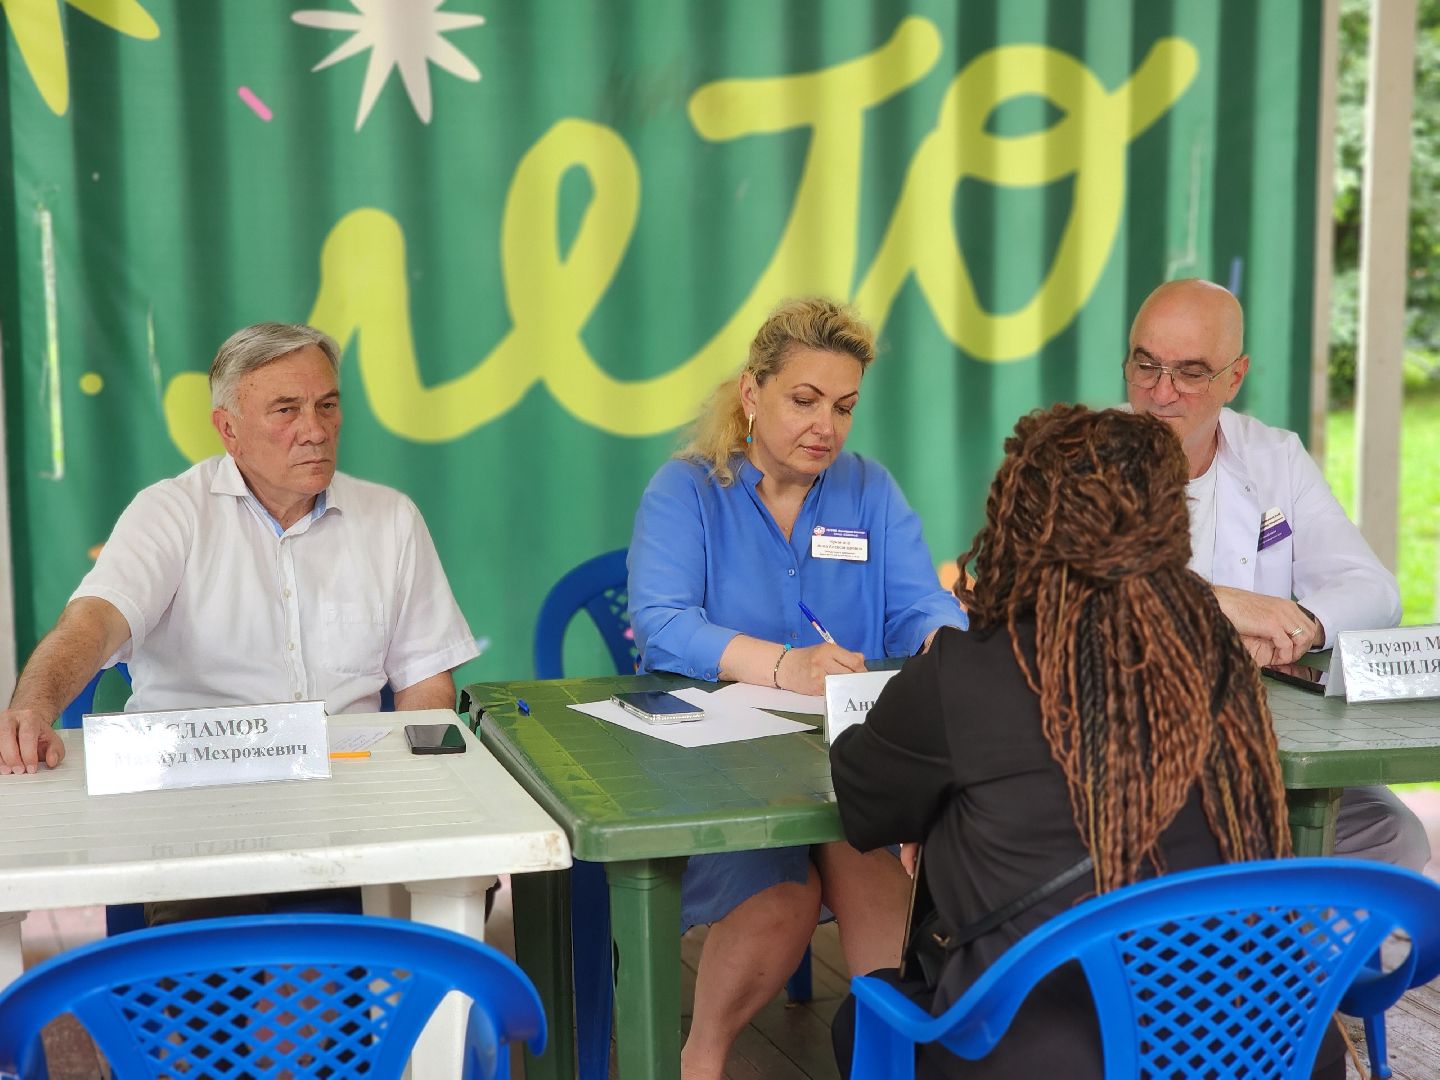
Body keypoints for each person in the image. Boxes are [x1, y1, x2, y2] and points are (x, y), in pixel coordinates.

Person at [829, 404, 1342, 1079]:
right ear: (1168, 529)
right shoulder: (1217, 656)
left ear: (1021, 517)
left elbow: (864, 797)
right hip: (1249, 1050)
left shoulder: (966, 669)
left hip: (1036, 1058)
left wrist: (944, 820)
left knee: (859, 1018)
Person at [628, 297, 966, 1079]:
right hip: (717, 763)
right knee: (781, 900)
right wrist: (785, 666)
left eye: (844, 407)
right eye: (804, 400)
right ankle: (702, 1057)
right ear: (753, 393)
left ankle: (892, 1060)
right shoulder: (685, 491)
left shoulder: (868, 490)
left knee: (870, 863)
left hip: (847, 756)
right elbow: (663, 624)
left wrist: (950, 643)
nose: (826, 426)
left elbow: (921, 603)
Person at [0, 323, 478, 777]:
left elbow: (425, 679)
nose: (315, 431)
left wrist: (424, 787)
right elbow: (95, 621)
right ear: (228, 430)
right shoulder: (172, 511)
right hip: (192, 778)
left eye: (327, 406)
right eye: (286, 410)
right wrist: (32, 709)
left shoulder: (390, 517)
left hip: (351, 776)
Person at [1125, 278, 1428, 871]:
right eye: (1146, 364)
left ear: (1234, 379)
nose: (1161, 392)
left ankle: (1292, 966)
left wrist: (1302, 625)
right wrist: (1220, 604)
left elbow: (1373, 589)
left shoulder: (1274, 457)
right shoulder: (1084, 457)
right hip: (1133, 748)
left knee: (1392, 836)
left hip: (1259, 737)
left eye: (1190, 372)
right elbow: (1073, 587)